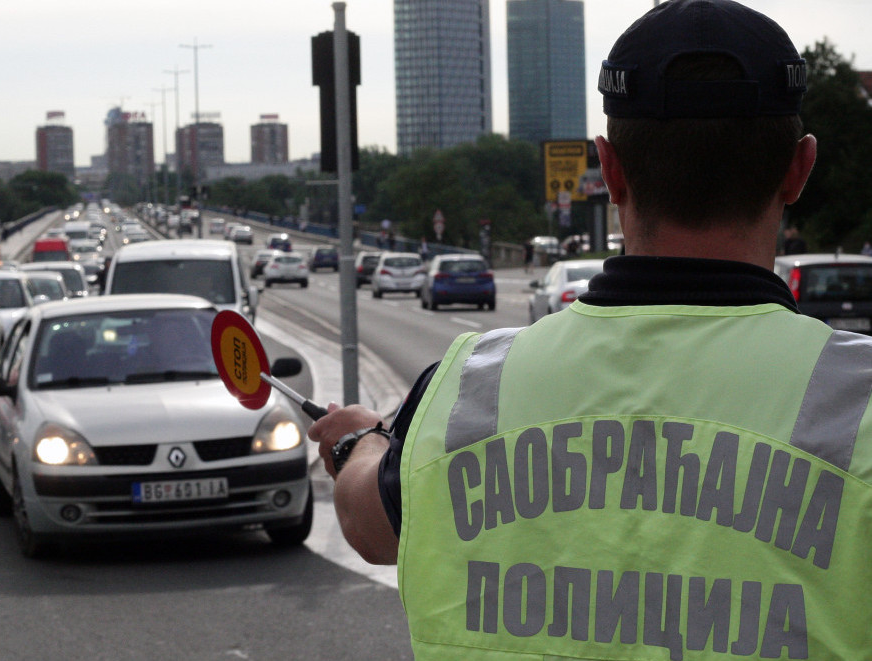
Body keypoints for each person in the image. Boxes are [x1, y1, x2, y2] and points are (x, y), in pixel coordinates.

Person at [308, 2, 870, 658]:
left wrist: (362, 442)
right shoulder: (856, 400)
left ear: (610, 169)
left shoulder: (469, 387)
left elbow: (367, 523)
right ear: (798, 170)